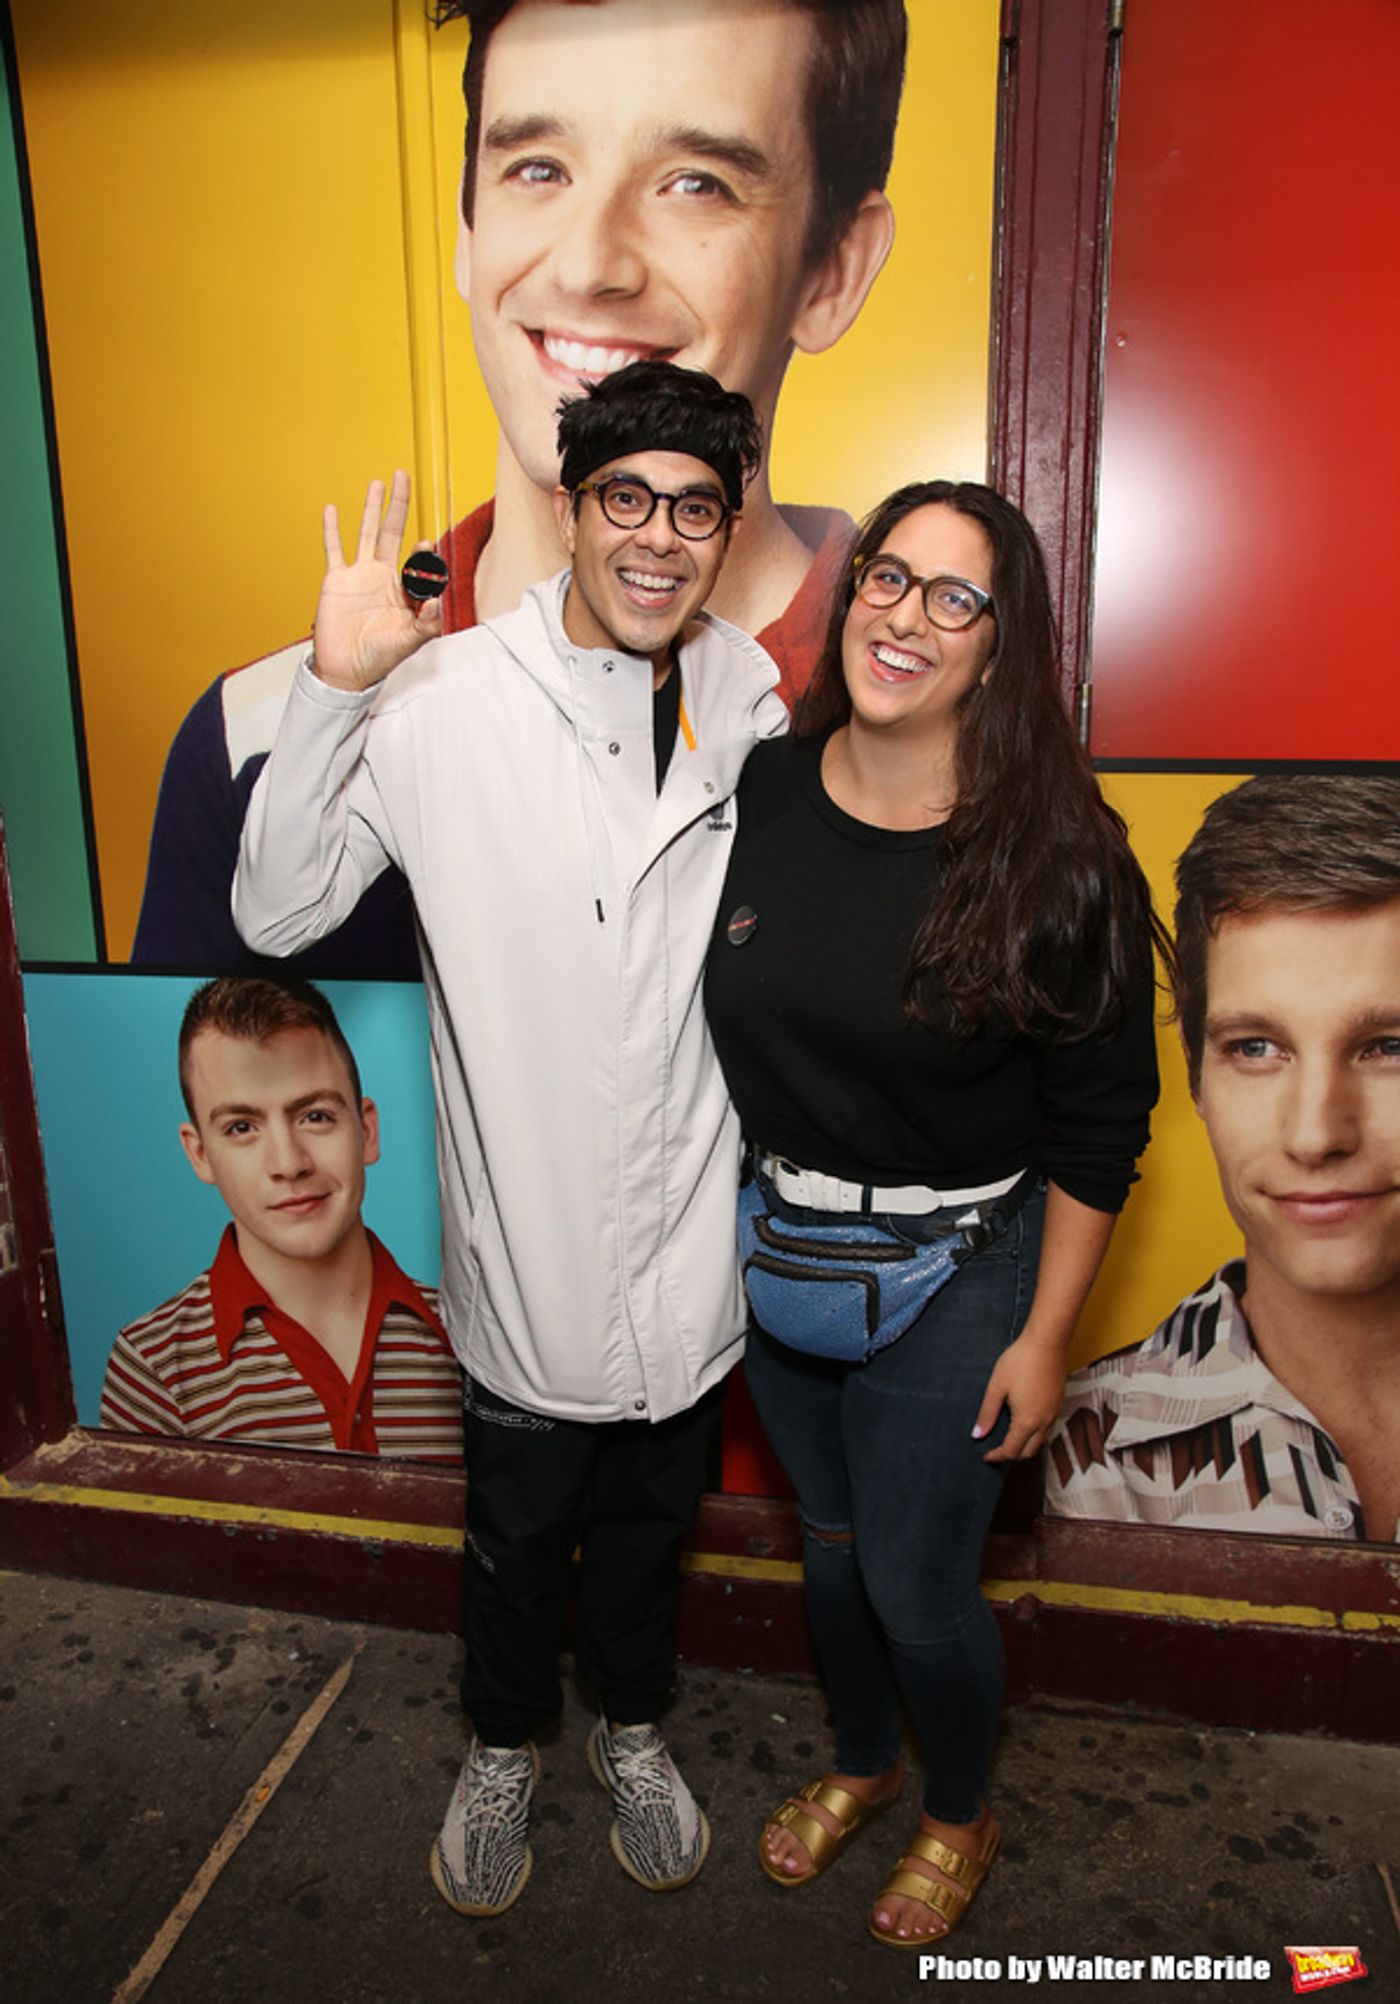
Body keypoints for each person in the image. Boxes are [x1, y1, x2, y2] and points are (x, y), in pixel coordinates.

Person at [232, 362, 788, 1913]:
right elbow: (275, 911)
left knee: (653, 1533)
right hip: (524, 1248)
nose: (658, 537)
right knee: (515, 1538)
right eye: (628, 498)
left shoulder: (751, 695)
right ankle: (501, 1745)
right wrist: (332, 689)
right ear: (571, 506)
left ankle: (631, 1727)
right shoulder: (443, 697)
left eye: (695, 508)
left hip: (686, 1248)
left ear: (727, 530)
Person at [132, 0, 904, 970]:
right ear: (467, 227)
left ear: (834, 267)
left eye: (695, 184)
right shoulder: (251, 742)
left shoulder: (917, 727)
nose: (587, 266)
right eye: (537, 168)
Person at [704, 480, 1162, 1946]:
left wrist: (1045, 1337)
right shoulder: (761, 791)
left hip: (961, 1268)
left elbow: (1099, 1130)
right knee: (832, 1544)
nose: (905, 617)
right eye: (888, 578)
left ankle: (960, 1812)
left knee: (913, 1579)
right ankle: (862, 1762)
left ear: (999, 645)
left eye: (954, 598)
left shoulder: (1061, 857)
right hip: (783, 1248)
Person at [1047, 774, 1400, 1543]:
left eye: (1389, 1048)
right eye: (1256, 1047)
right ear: (1195, 1068)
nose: (1315, 1135)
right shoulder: (1073, 1471)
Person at [100, 976, 462, 1462]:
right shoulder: (155, 1367)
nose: (289, 1163)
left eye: (315, 1116)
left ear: (367, 1130)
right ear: (200, 1154)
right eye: (241, 1127)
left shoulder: (468, 1341)